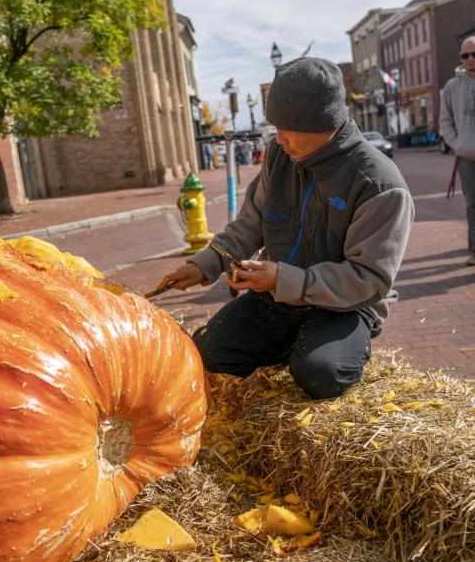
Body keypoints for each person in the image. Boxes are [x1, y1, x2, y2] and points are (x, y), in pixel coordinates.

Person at [158, 57, 414, 400]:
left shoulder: (378, 183)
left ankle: (334, 342)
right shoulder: (281, 155)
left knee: (321, 374)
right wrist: (203, 264)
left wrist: (282, 278)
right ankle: (288, 342)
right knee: (206, 353)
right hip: (277, 297)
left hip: (345, 306)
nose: (278, 138)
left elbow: (369, 279)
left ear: (323, 123)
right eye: (275, 127)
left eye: (287, 128)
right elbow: (251, 221)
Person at [439, 35, 475, 267]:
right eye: (465, 55)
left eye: (474, 54)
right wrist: (458, 144)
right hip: (466, 157)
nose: (470, 59)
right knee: (473, 206)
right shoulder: (451, 87)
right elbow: (445, 122)